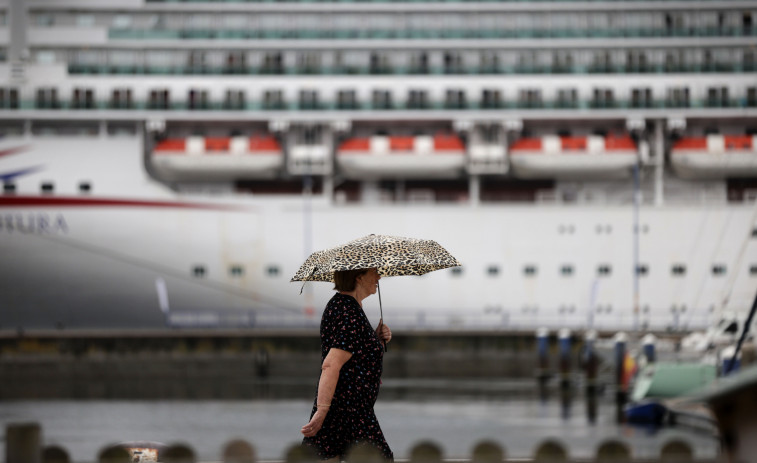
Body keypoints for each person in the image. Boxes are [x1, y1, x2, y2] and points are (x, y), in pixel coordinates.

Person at [301, 267, 393, 461]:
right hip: (350, 412)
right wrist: (322, 410)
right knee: (379, 458)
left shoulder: (341, 306)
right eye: (374, 273)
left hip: (342, 408)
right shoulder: (350, 313)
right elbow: (331, 364)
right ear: (358, 277)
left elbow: (352, 353)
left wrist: (374, 339)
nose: (379, 276)